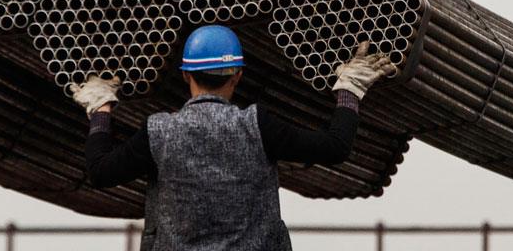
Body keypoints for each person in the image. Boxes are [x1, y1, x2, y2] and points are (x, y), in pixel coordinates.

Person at [70, 24, 396, 251]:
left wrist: (101, 108)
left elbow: (99, 171)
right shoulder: (259, 126)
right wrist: (351, 88)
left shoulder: (158, 133)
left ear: (185, 75)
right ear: (237, 75)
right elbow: (335, 147)